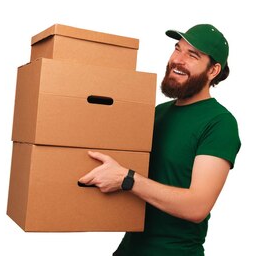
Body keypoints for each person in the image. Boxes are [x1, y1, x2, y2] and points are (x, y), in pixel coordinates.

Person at [78, 24, 241, 256]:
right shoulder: (158, 112)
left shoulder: (220, 123)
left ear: (213, 70)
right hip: (129, 249)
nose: (178, 59)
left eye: (192, 55)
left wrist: (128, 180)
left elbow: (197, 206)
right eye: (177, 49)